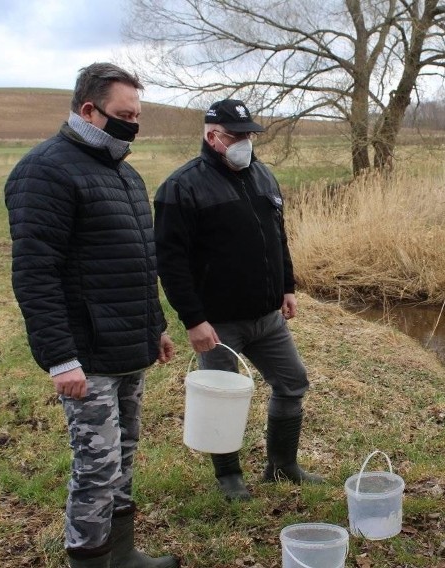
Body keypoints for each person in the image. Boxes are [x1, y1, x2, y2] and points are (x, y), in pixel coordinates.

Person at [5, 63, 178, 568]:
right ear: (88, 111)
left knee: (122, 460)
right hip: (88, 356)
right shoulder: (46, 171)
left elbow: (135, 262)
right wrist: (61, 359)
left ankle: (122, 556)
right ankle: (90, 561)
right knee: (96, 470)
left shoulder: (123, 173)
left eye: (138, 115)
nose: (133, 125)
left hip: (129, 346)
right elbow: (35, 275)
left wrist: (157, 329)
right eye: (124, 115)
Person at [154, 99, 322, 501]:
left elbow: (277, 237)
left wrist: (287, 286)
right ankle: (228, 476)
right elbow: (170, 262)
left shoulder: (263, 176)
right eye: (236, 135)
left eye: (248, 134)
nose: (245, 142)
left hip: (267, 317)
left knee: (292, 383)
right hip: (218, 323)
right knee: (222, 398)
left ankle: (282, 466)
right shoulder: (181, 188)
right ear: (212, 136)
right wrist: (194, 320)